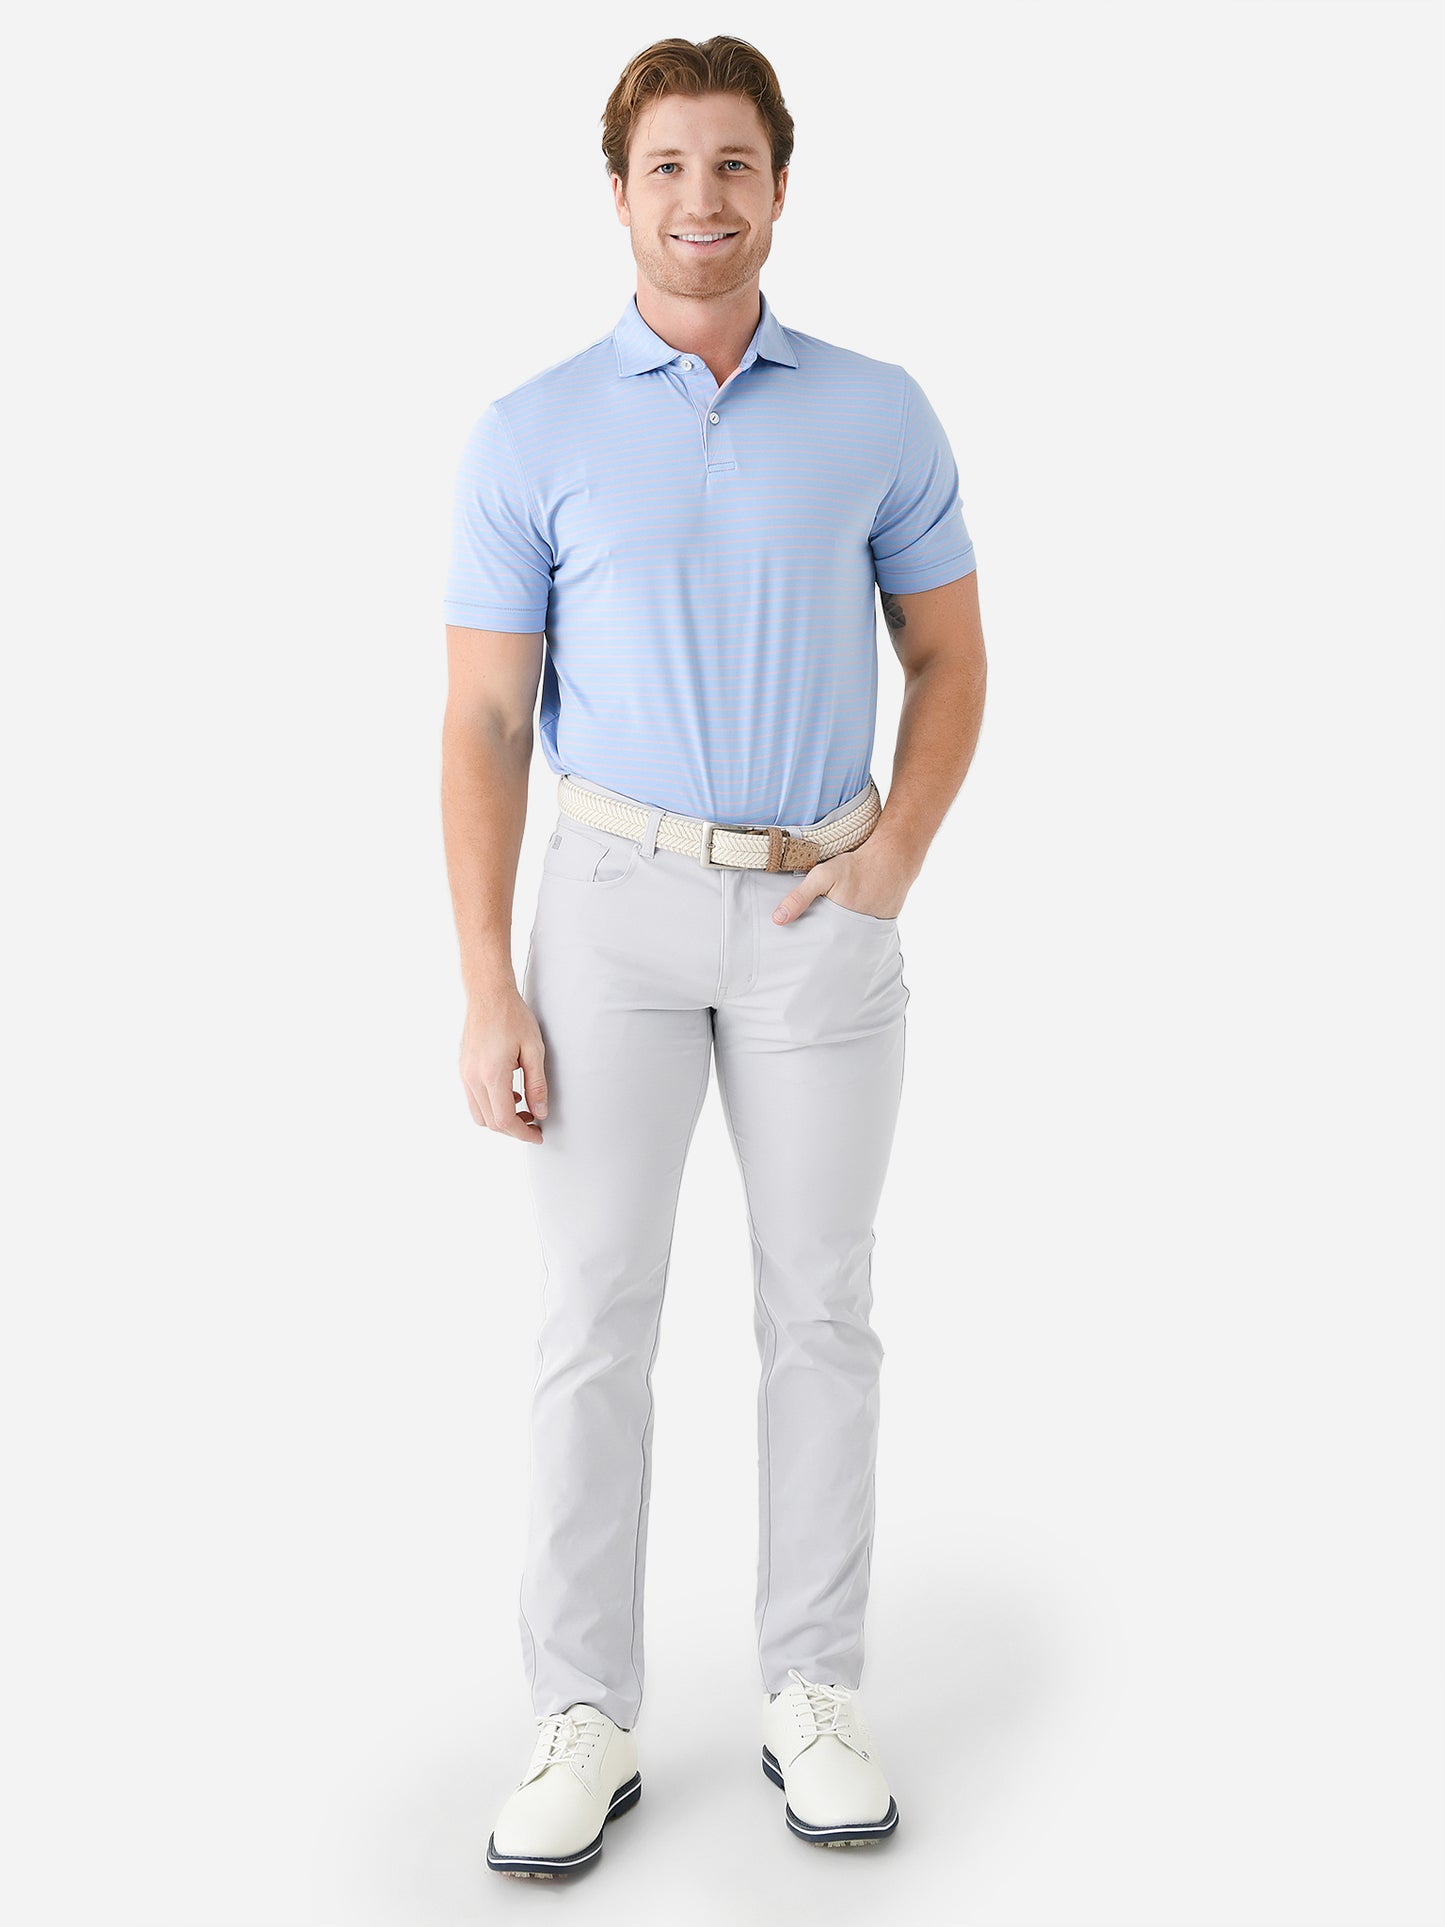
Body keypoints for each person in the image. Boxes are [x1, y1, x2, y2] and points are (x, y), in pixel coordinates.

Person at [441, 33, 987, 1879]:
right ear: (617, 193)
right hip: (608, 911)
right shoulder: (529, 431)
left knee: (820, 1308)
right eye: (666, 167)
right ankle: (581, 1714)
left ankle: (811, 1691)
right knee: (593, 1316)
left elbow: (948, 655)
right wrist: (486, 981)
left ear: (779, 186)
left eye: (732, 165)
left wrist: (896, 854)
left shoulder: (877, 411)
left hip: (818, 908)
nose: (701, 200)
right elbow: (484, 722)